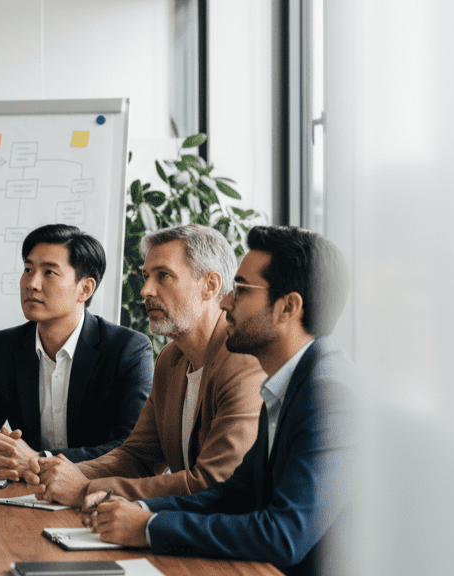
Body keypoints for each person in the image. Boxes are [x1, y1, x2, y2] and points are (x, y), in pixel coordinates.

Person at [83, 225, 360, 576]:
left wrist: (148, 527)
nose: (227, 301)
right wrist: (138, 507)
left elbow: (284, 535)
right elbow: (233, 494)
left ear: (288, 307)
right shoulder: (289, 383)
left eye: (241, 289)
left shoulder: (332, 398)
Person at [25, 224, 264, 505]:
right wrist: (54, 471)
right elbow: (137, 457)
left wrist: (85, 489)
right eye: (146, 276)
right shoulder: (170, 359)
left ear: (210, 285)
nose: (145, 290)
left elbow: (214, 483)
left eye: (163, 276)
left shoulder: (245, 360)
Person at [0, 224, 154, 480]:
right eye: (28, 270)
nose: (32, 283)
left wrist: (38, 460)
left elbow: (131, 449)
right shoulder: (5, 347)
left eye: (49, 273)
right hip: (26, 496)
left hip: (98, 495)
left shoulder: (127, 349)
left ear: (85, 289)